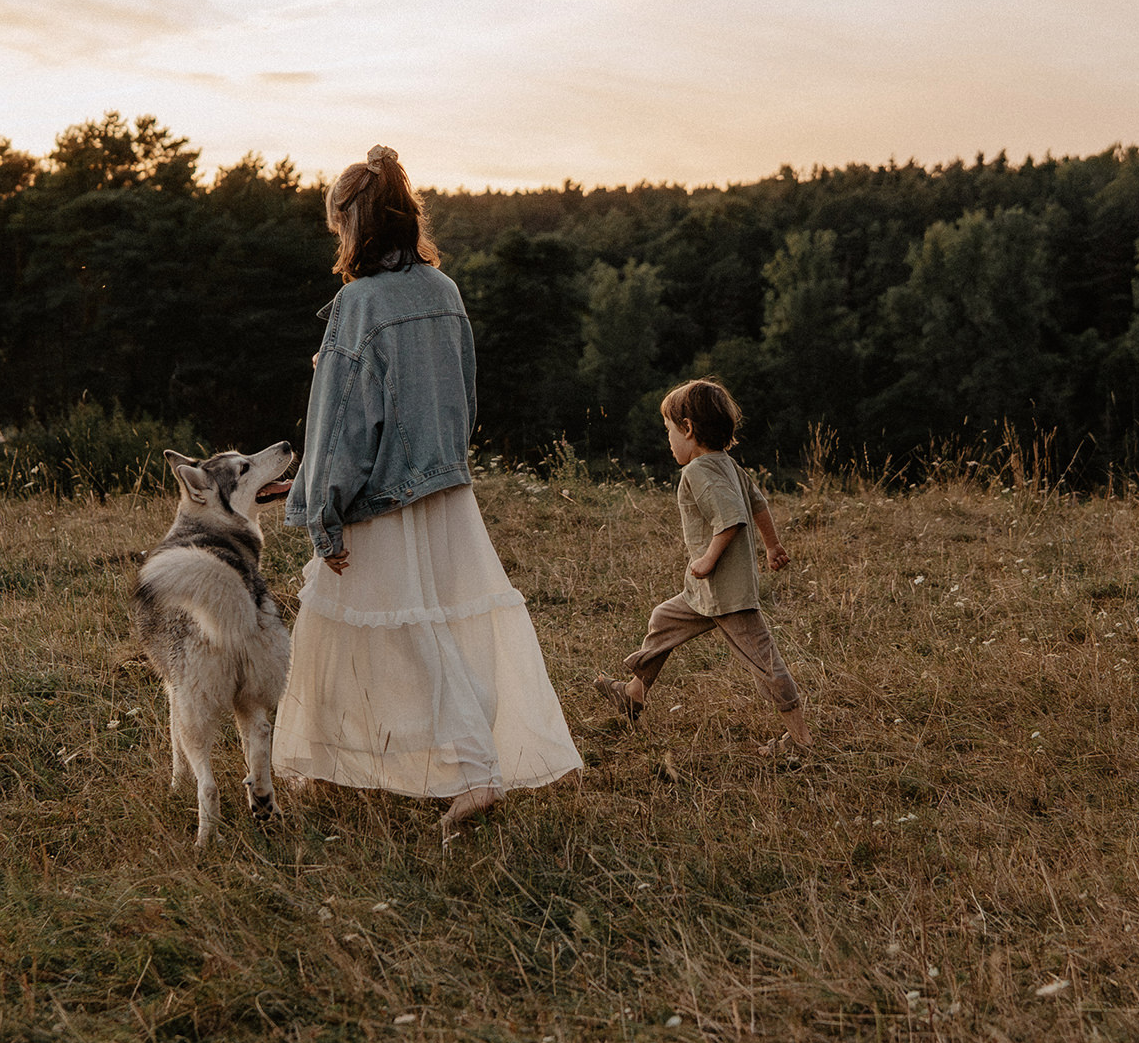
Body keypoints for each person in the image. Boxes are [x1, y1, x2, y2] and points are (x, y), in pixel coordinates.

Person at [276, 146, 583, 837]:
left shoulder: (358, 304)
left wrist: (325, 510)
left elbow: (344, 420)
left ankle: (473, 773)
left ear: (355, 224)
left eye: (338, 227)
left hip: (383, 498)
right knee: (410, 626)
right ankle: (326, 766)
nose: (337, 238)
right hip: (445, 490)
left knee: (397, 635)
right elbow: (461, 395)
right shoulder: (444, 291)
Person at [593, 377, 813, 753]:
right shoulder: (728, 465)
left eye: (668, 430)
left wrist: (709, 559)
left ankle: (801, 741)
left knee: (765, 662)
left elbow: (731, 518)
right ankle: (633, 694)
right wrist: (772, 545)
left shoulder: (698, 471)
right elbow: (758, 504)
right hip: (704, 593)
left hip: (727, 593)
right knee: (663, 620)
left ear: (688, 429)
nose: (668, 440)